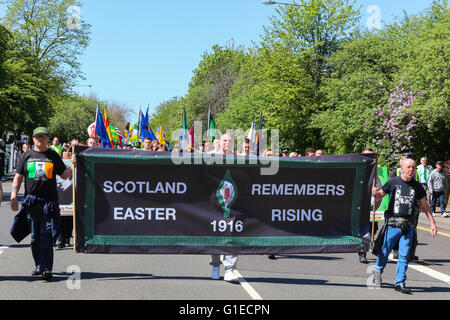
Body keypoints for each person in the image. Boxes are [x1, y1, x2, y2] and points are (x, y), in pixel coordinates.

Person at [10, 127, 74, 281]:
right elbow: (18, 177)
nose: (40, 139)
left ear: (48, 139)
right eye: (37, 137)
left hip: (48, 202)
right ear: (33, 139)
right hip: (32, 202)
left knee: (46, 235)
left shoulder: (53, 155)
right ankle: (39, 265)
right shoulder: (26, 156)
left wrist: (72, 165)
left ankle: (46, 268)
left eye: (43, 137)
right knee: (34, 237)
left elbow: (64, 175)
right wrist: (13, 196)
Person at [371, 158, 437, 293]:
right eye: (409, 167)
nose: (411, 170)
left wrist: (432, 223)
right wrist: (375, 193)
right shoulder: (392, 182)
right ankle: (377, 274)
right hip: (392, 224)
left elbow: (424, 205)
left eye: (413, 167)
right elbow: (380, 196)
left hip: (408, 226)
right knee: (384, 251)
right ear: (402, 168)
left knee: (404, 254)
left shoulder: (417, 186)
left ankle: (399, 282)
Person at [210, 132, 239, 283]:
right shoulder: (211, 158)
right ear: (220, 142)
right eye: (225, 140)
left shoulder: (239, 160)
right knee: (215, 233)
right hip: (214, 202)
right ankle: (215, 265)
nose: (227, 142)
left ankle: (230, 269)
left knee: (232, 234)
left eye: (230, 140)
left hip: (233, 202)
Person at [56, 146, 74, 249]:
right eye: (65, 151)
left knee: (70, 218)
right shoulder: (58, 163)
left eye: (69, 151)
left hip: (72, 195)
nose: (67, 153)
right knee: (61, 218)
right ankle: (60, 239)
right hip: (60, 195)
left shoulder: (76, 163)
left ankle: (67, 237)